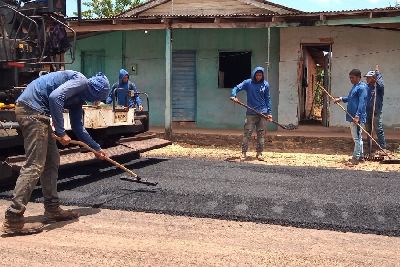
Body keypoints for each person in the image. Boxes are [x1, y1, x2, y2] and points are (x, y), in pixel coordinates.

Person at [3, 70, 110, 235]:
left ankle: (52, 209)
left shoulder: (78, 99)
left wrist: (96, 148)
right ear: (93, 90)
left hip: (39, 113)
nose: (95, 100)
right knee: (35, 165)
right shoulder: (80, 81)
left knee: (52, 161)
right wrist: (60, 132)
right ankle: (13, 218)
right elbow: (55, 97)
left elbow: (78, 128)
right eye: (97, 96)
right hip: (31, 110)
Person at [230, 67, 272, 161]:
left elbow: (268, 99)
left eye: (260, 75)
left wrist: (269, 113)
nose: (258, 77)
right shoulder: (248, 83)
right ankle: (244, 153)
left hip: (263, 113)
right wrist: (234, 95)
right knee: (247, 133)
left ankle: (260, 153)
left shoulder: (266, 84)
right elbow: (236, 88)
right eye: (257, 75)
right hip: (251, 113)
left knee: (261, 134)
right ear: (253, 74)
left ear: (263, 75)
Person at [334, 69, 368, 165]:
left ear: (358, 77)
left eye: (352, 78)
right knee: (358, 138)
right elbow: (350, 98)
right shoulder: (355, 87)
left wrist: (357, 116)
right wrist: (340, 99)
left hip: (356, 117)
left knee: (356, 138)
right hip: (352, 116)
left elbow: (362, 103)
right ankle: (360, 157)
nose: (351, 80)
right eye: (350, 78)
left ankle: (355, 158)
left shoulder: (362, 88)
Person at [364, 65, 387, 154]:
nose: (367, 79)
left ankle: (383, 147)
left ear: (373, 78)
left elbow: (381, 83)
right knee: (368, 130)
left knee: (378, 129)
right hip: (367, 112)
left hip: (376, 112)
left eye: (368, 78)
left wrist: (377, 73)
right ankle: (369, 147)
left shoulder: (379, 88)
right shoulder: (366, 87)